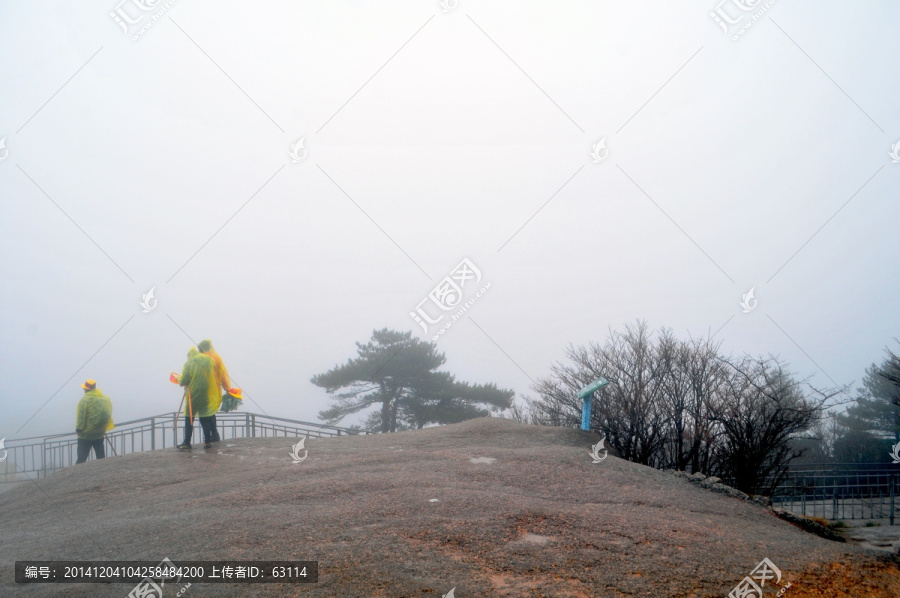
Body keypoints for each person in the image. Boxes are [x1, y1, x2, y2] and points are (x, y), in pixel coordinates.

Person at [177, 347, 222, 450]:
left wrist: (178, 378)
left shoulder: (189, 364)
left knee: (189, 418)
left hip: (193, 396)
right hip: (206, 394)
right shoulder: (208, 361)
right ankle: (207, 441)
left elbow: (184, 380)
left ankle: (187, 442)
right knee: (204, 417)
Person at [198, 339, 230, 443]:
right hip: (215, 391)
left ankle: (210, 437)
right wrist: (227, 388)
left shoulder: (201, 359)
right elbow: (223, 374)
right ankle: (214, 434)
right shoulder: (217, 358)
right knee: (210, 414)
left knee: (205, 415)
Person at [75, 380, 113, 464]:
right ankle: (103, 472)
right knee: (101, 457)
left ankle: (78, 475)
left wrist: (78, 429)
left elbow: (81, 417)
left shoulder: (84, 400)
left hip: (86, 435)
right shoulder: (103, 398)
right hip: (99, 432)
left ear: (86, 389)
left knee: (81, 459)